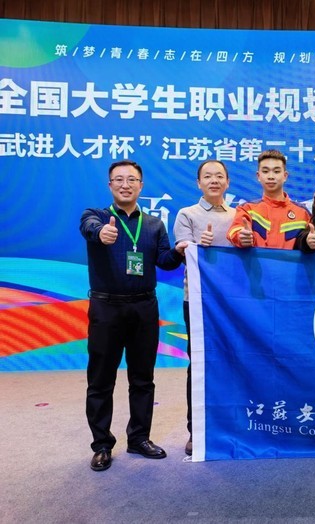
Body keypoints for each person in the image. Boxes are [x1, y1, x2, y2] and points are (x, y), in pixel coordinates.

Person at [79, 160, 187, 472]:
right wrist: (101, 233)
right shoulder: (96, 216)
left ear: (141, 185)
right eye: (119, 179)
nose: (125, 185)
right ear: (110, 185)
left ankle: (139, 438)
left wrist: (178, 251)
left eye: (132, 180)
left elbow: (164, 261)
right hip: (106, 308)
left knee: (143, 378)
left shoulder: (153, 224)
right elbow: (89, 228)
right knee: (101, 379)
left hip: (144, 308)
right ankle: (102, 445)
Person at [173, 160, 236, 456]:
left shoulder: (238, 216)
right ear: (199, 183)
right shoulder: (187, 214)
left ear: (227, 182)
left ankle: (231, 425)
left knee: (233, 361)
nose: (214, 180)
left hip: (232, 302)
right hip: (198, 301)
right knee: (199, 363)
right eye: (207, 176)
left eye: (219, 176)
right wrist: (198, 244)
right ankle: (196, 430)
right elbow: (181, 250)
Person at [227, 150, 310, 249]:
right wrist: (241, 236)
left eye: (276, 171)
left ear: (285, 176)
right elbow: (234, 231)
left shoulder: (303, 213)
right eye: (265, 171)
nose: (271, 176)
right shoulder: (247, 209)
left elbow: (314, 240)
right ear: (258, 176)